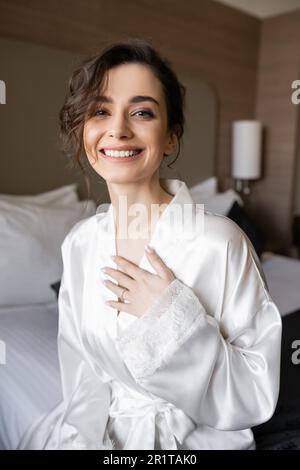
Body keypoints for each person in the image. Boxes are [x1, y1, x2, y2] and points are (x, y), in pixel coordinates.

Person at [18, 39, 282, 450]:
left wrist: (173, 316)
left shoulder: (220, 243)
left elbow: (254, 393)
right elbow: (84, 376)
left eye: (142, 112)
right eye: (100, 111)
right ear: (83, 130)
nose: (118, 129)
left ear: (172, 135)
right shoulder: (80, 245)